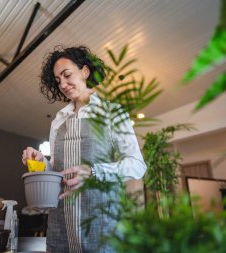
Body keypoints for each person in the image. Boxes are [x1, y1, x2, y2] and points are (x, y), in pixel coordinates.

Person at [22, 46, 146, 252]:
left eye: (67, 74)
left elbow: (137, 166)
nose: (62, 83)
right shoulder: (58, 121)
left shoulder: (112, 113)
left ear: (85, 72)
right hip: (61, 223)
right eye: (57, 80)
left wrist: (94, 171)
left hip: (101, 223)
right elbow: (55, 170)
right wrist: (40, 161)